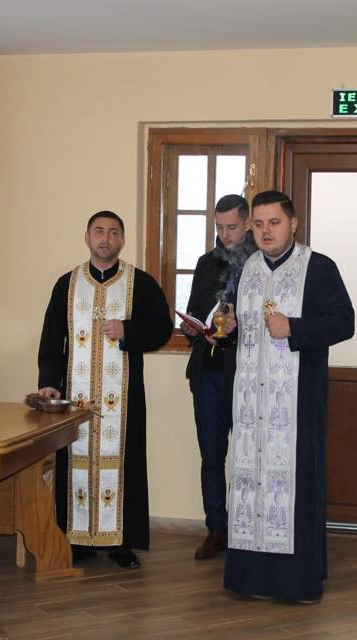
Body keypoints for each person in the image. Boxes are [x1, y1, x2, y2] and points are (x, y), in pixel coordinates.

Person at [223, 190, 355, 602]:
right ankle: (248, 579)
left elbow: (344, 323)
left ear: (293, 224)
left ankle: (296, 582)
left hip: (296, 404)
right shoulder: (247, 267)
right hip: (250, 404)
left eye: (274, 223)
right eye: (259, 224)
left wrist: (293, 328)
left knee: (295, 487)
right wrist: (228, 328)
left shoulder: (318, 267)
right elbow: (240, 321)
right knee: (248, 483)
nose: (266, 231)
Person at [37, 210, 173, 569]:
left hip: (123, 399)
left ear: (122, 240)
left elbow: (162, 328)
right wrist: (49, 382)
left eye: (113, 232)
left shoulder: (140, 283)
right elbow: (52, 338)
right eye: (99, 231)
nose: (105, 238)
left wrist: (129, 330)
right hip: (75, 398)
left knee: (124, 463)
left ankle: (121, 543)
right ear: (87, 237)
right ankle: (75, 540)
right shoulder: (67, 284)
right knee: (74, 462)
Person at [180, 194, 257, 561]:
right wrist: (192, 328)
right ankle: (216, 528)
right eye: (219, 227)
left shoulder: (261, 262)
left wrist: (240, 327)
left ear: (247, 224)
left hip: (247, 373)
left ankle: (248, 528)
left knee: (248, 455)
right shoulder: (205, 263)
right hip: (208, 373)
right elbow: (196, 309)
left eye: (232, 227)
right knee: (211, 455)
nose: (225, 234)